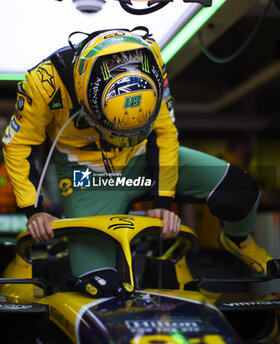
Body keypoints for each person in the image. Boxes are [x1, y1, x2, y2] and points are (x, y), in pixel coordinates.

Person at [2, 28, 273, 276]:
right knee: (97, 283)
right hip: (86, 177)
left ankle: (238, 240)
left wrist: (162, 201)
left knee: (241, 190)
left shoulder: (152, 58)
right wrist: (33, 210)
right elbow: (17, 144)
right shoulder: (44, 82)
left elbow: (165, 132)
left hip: (143, 157)